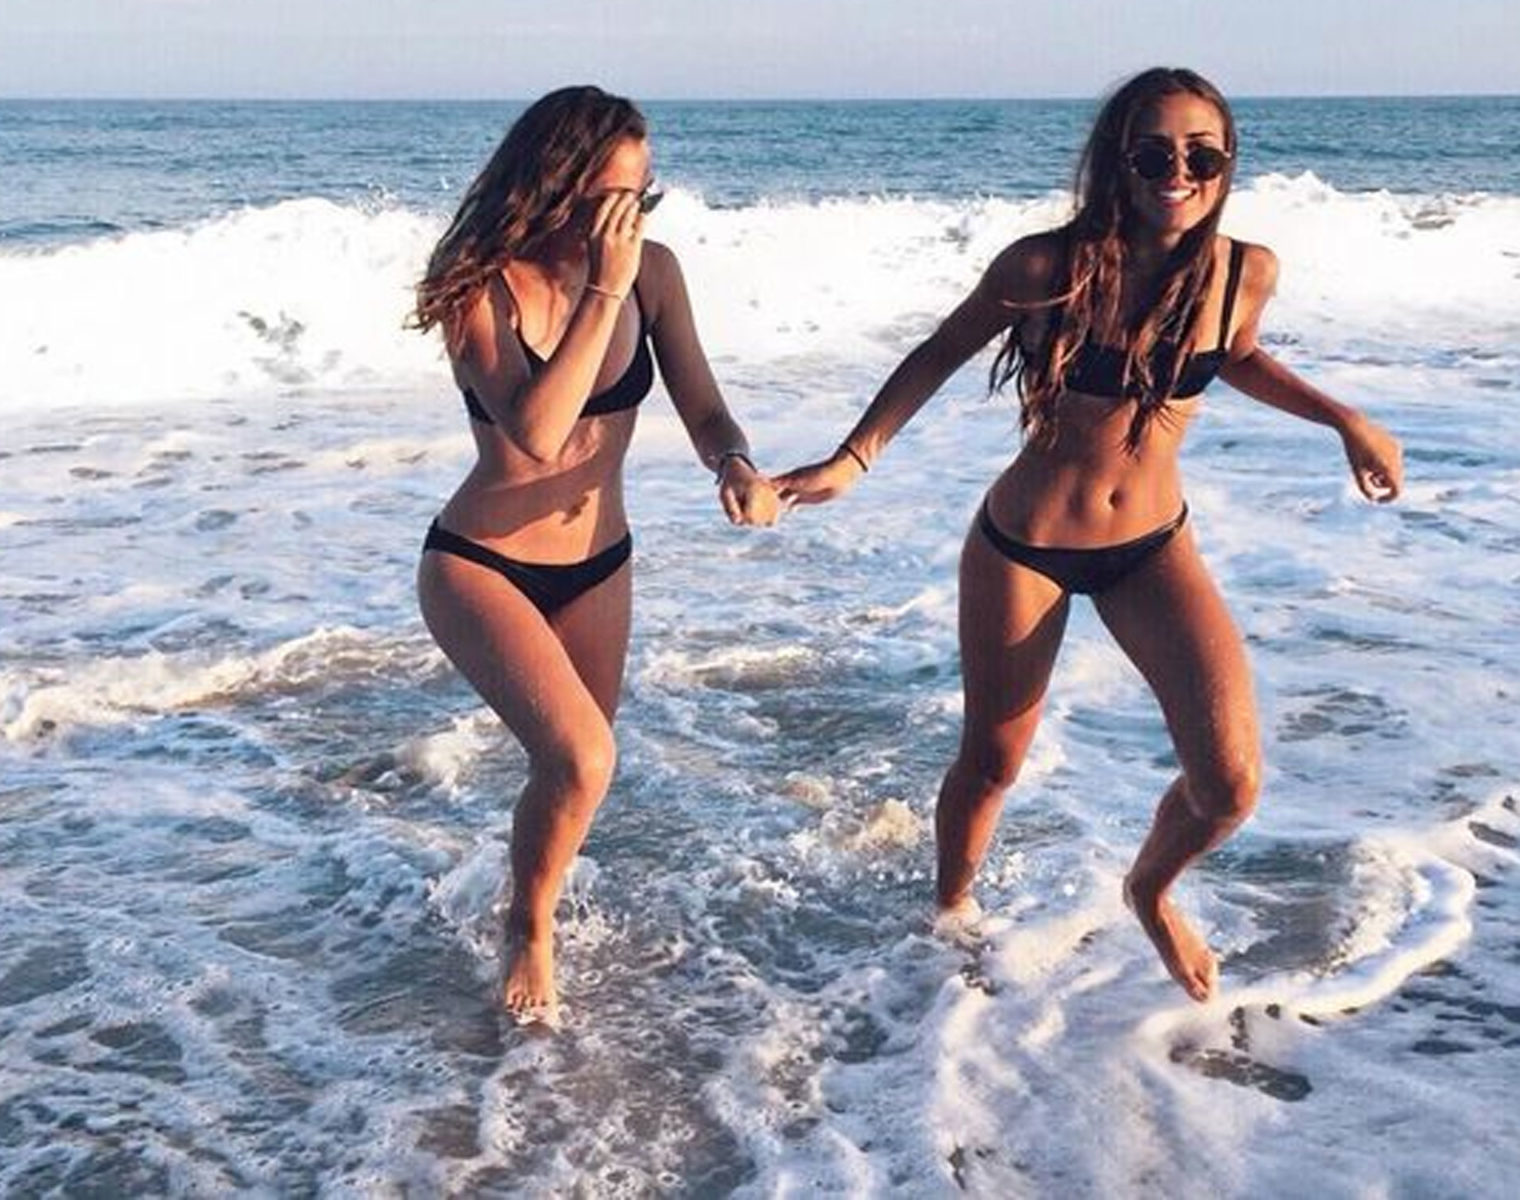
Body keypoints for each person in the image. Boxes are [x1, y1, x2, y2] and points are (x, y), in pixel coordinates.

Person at [775, 67, 1403, 1003]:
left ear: (1227, 164)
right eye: (1153, 154)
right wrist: (852, 460)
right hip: (1023, 547)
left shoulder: (1246, 272)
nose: (1178, 172)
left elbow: (1232, 355)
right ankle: (949, 917)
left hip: (1150, 548)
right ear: (1117, 163)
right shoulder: (1046, 269)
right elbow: (940, 351)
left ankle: (1149, 890)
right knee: (993, 762)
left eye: (1201, 155)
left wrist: (1343, 419)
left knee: (1229, 785)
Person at [412, 86, 781, 1024]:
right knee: (582, 759)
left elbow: (704, 406)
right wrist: (604, 289)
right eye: (613, 198)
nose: (631, 218)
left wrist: (733, 462)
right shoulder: (477, 288)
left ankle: (522, 888)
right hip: (482, 564)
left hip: (599, 564)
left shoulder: (654, 274)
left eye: (642, 197)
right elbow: (538, 434)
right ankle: (529, 928)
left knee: (575, 770)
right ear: (554, 186)